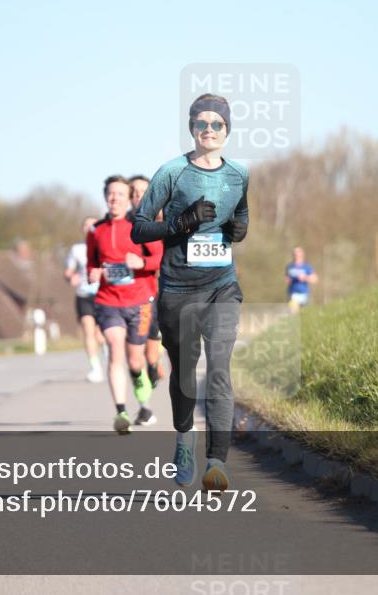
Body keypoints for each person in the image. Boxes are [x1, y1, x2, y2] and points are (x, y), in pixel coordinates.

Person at [131, 93, 249, 491]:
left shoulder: (239, 174)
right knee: (183, 374)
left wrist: (237, 230)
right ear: (191, 128)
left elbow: (242, 219)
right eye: (202, 123)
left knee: (219, 370)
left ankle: (216, 463)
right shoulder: (172, 172)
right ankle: (184, 440)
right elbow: (139, 228)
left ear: (227, 130)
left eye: (217, 124)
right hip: (178, 290)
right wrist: (179, 223)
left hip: (222, 287)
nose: (209, 130)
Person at [87, 175, 164, 434]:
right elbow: (91, 263)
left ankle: (144, 404)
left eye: (120, 194)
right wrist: (92, 273)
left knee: (135, 361)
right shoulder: (96, 230)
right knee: (114, 350)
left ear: (128, 198)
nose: (114, 198)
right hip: (108, 301)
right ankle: (121, 412)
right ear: (105, 197)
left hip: (140, 301)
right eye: (110, 193)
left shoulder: (142, 227)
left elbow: (159, 258)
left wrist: (142, 263)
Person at [129, 174, 167, 390]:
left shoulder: (163, 221)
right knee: (134, 349)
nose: (138, 196)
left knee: (155, 341)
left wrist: (142, 263)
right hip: (130, 294)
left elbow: (163, 258)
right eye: (133, 192)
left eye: (143, 192)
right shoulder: (121, 224)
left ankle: (154, 363)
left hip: (159, 290)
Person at [64, 216, 104, 383]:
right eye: (86, 225)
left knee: (100, 335)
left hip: (103, 294)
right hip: (83, 295)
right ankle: (96, 369)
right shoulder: (77, 249)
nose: (89, 228)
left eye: (92, 225)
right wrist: (70, 277)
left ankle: (110, 358)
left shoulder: (105, 244)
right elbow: (68, 271)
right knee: (88, 330)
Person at [285, 247, 318, 312]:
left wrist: (305, 277)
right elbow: (287, 279)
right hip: (293, 294)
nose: (296, 256)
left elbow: (315, 279)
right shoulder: (290, 267)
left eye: (298, 254)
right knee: (294, 313)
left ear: (302, 255)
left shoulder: (307, 267)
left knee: (304, 314)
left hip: (304, 294)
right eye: (295, 254)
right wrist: (289, 280)